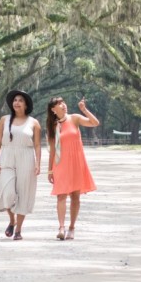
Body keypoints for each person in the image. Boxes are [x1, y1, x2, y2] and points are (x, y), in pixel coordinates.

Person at [46, 95, 99, 240]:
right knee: (61, 195)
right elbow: (52, 149)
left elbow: (95, 123)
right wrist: (50, 170)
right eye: (59, 103)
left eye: (63, 102)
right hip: (60, 164)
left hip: (76, 162)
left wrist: (84, 109)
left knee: (75, 196)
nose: (63, 105)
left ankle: (72, 228)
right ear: (53, 109)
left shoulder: (75, 118)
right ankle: (61, 227)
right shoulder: (53, 126)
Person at [0, 89, 41, 241]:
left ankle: (18, 229)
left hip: (26, 158)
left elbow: (38, 145)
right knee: (7, 193)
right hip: (7, 157)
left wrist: (38, 163)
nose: (17, 103)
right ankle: (11, 220)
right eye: (15, 100)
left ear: (26, 105)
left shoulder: (34, 123)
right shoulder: (4, 120)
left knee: (24, 194)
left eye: (20, 100)